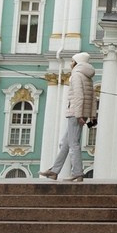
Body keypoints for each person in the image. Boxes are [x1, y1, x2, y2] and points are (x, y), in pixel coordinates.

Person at [42, 53, 97, 182]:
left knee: (73, 144)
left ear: (77, 62)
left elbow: (78, 96)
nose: (70, 63)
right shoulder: (87, 76)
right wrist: (92, 115)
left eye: (72, 61)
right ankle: (54, 171)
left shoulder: (76, 75)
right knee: (65, 143)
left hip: (75, 113)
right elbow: (93, 98)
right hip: (80, 113)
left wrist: (78, 115)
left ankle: (77, 172)